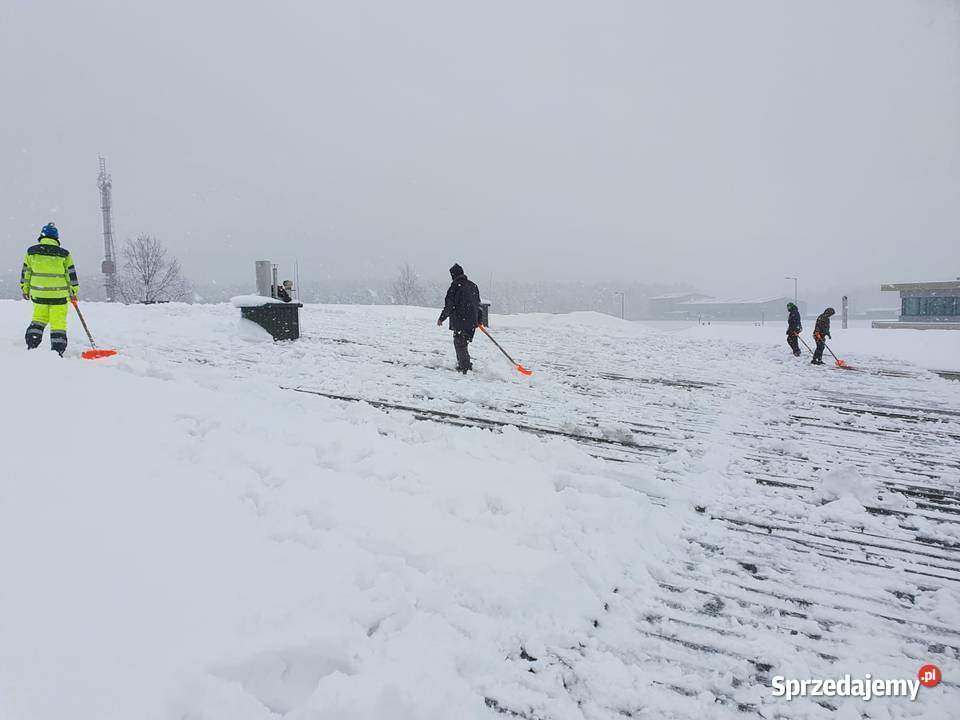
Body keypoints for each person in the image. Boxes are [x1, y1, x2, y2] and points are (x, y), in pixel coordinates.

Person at [20, 223, 79, 356]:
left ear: (42, 236)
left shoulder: (31, 252)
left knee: (39, 319)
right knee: (58, 322)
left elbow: (26, 273)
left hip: (39, 294)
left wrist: (25, 289)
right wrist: (73, 291)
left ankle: (31, 345)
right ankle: (58, 350)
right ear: (56, 237)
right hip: (59, 295)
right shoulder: (64, 254)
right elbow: (71, 275)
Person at [437, 263, 482, 373]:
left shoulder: (455, 287)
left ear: (454, 275)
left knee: (460, 343)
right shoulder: (473, 285)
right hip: (472, 322)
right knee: (463, 342)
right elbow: (478, 304)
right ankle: (464, 364)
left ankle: (465, 367)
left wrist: (441, 318)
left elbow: (450, 305)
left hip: (461, 321)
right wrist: (479, 320)